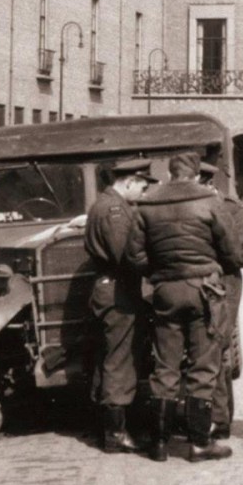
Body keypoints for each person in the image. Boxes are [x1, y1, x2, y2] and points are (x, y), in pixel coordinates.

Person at [126, 152, 240, 463]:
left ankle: (159, 443)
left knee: (166, 366)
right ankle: (200, 443)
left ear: (171, 173)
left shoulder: (148, 203)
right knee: (203, 366)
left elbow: (134, 255)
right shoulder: (209, 200)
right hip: (204, 288)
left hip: (165, 290)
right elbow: (231, 250)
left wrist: (158, 273)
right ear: (193, 174)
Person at [84, 159, 157, 453]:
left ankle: (106, 425)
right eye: (142, 185)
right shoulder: (114, 210)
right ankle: (116, 435)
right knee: (120, 359)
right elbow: (124, 255)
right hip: (118, 291)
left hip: (111, 289)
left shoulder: (105, 203)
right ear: (129, 181)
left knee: (110, 356)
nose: (143, 192)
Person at [198, 162, 243, 440]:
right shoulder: (189, 208)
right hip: (194, 285)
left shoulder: (233, 209)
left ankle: (220, 419)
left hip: (225, 285)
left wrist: (213, 256)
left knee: (218, 347)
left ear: (209, 182)